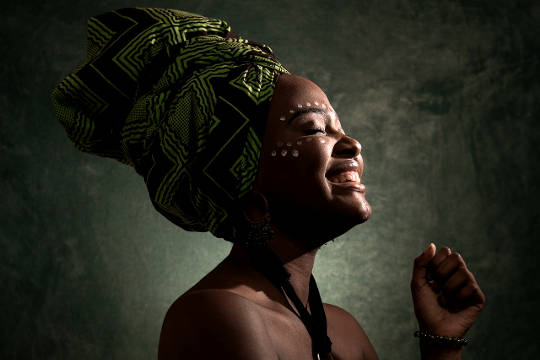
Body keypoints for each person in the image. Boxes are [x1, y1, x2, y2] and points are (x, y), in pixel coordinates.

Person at [52, 8, 486, 360]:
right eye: (314, 128)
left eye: (339, 127)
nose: (352, 144)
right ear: (246, 190)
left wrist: (440, 345)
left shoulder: (341, 329)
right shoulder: (218, 315)